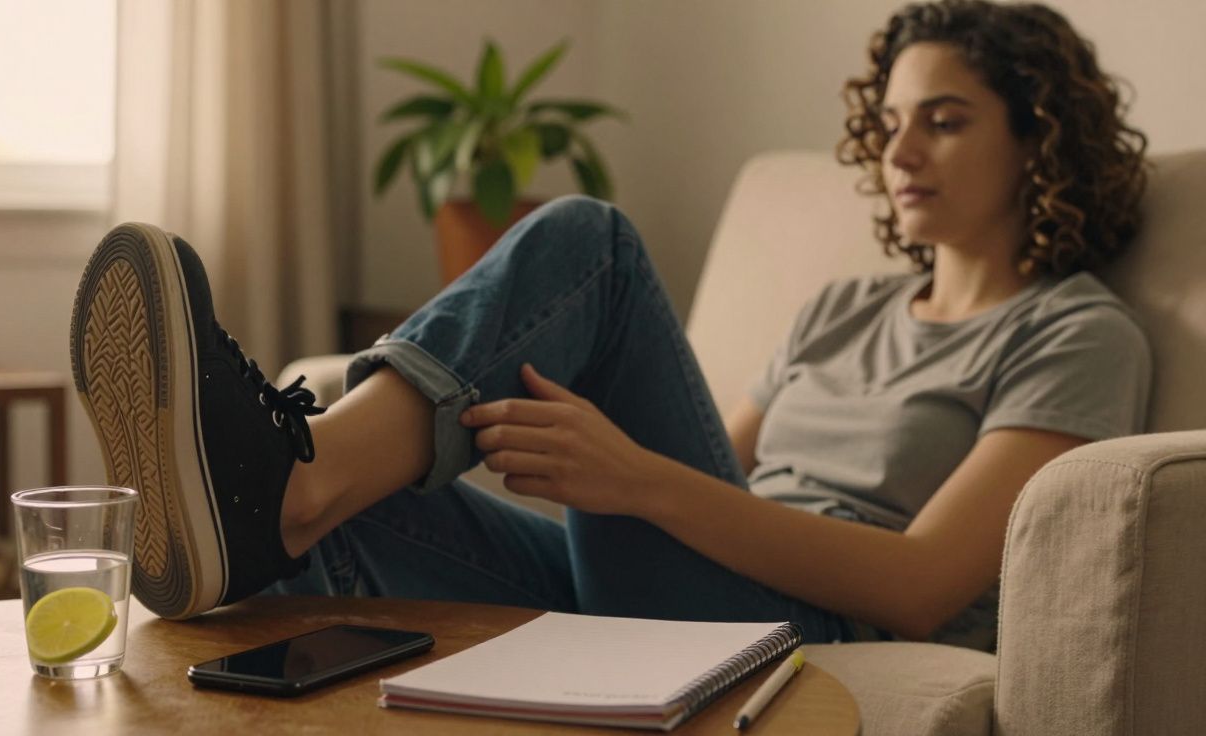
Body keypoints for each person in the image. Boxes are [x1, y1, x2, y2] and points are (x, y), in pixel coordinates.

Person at [69, 0, 1150, 649]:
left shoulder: (1073, 333)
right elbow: (717, 474)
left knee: (592, 242)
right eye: (892, 122)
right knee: (351, 514)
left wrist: (633, 480)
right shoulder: (842, 309)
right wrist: (623, 479)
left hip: (804, 628)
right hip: (680, 583)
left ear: (1039, 142)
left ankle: (284, 479)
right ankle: (278, 507)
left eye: (944, 122)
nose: (899, 152)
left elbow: (920, 587)